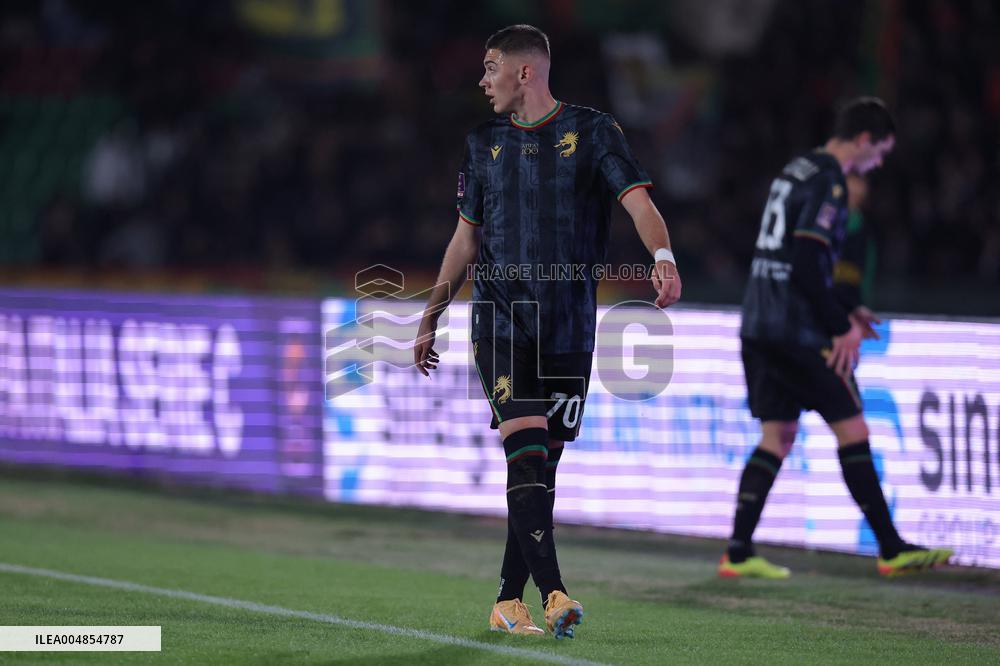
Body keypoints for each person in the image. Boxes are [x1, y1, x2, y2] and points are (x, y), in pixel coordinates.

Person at [413, 24, 681, 638]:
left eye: (490, 68)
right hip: (501, 319)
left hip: (569, 325)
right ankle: (555, 593)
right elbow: (465, 238)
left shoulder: (594, 132)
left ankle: (508, 600)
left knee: (540, 468)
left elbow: (638, 202)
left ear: (524, 72)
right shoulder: (481, 144)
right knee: (528, 449)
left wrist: (662, 257)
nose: (482, 82)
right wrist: (431, 314)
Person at [720, 97, 952, 579]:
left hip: (758, 323)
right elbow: (806, 264)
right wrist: (840, 325)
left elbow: (789, 258)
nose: (879, 162)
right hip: (796, 331)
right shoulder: (830, 181)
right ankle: (891, 548)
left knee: (777, 435)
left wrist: (849, 308)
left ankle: (738, 553)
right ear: (865, 141)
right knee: (854, 429)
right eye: (881, 151)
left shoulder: (796, 168)